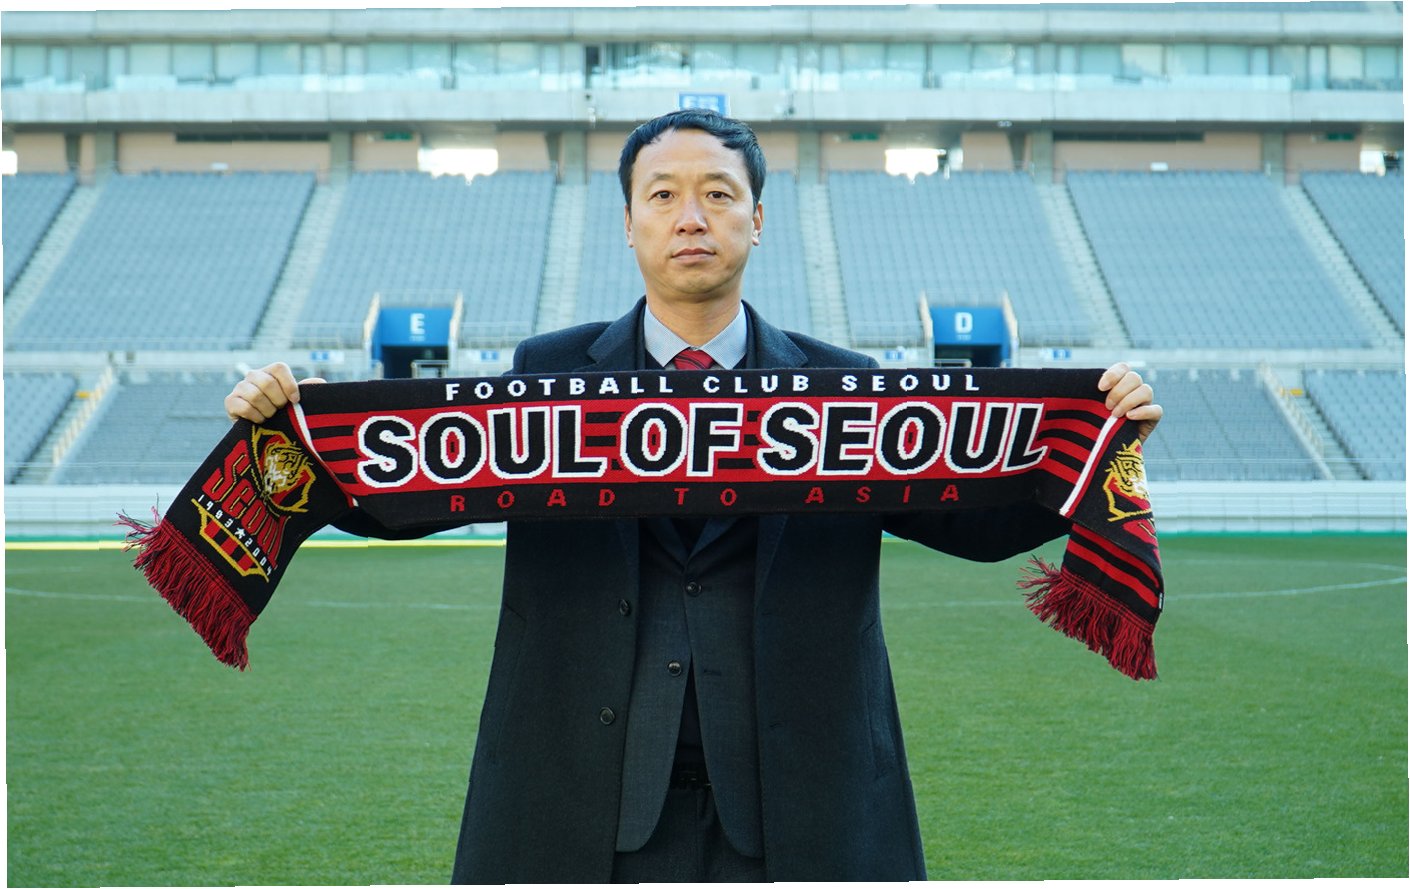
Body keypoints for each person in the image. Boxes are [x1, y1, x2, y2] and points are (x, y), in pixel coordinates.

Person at [225, 109, 1162, 883]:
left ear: (757, 220)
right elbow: (412, 485)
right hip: (584, 806)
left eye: (718, 193)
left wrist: (1092, 442)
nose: (691, 217)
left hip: (800, 808)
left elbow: (973, 515)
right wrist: (297, 431)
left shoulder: (845, 388)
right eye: (663, 194)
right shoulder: (547, 376)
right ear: (629, 222)